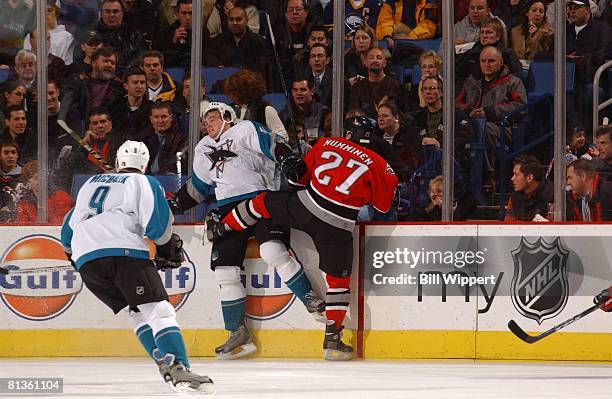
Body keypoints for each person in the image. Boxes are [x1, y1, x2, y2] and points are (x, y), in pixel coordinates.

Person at [209, 121, 399, 360]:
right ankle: (332, 340)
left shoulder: (327, 142)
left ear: (349, 133)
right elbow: (382, 206)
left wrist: (294, 168)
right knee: (338, 282)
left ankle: (223, 227)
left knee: (261, 203)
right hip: (338, 224)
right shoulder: (382, 165)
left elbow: (300, 181)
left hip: (307, 206)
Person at [167, 102, 325, 360]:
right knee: (225, 273)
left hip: (261, 198)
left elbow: (274, 147)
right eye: (205, 119)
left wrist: (286, 158)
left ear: (228, 116)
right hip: (226, 207)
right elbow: (197, 187)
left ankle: (309, 298)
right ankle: (237, 332)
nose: (208, 122)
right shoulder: (203, 147)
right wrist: (174, 204)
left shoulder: (246, 130)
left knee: (273, 251)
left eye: (213, 117)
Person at [60, 140, 214, 393]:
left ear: (119, 162)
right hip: (123, 252)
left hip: (86, 259)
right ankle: (178, 367)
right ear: (143, 165)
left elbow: (67, 231)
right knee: (159, 309)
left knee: (137, 312)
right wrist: (166, 251)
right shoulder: (144, 182)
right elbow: (158, 223)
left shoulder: (90, 183)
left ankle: (165, 365)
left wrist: (75, 258)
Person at [504, 154, 552, 221]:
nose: (512, 178)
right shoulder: (514, 198)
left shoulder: (552, 195)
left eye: (516, 175)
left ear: (529, 178)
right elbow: (508, 227)